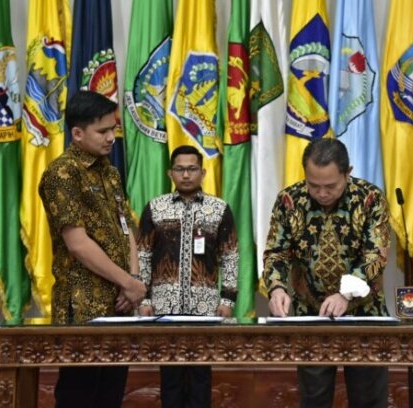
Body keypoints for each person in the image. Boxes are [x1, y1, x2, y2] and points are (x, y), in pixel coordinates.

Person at [263, 138, 390, 408]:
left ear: (348, 172)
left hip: (364, 313)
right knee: (314, 398)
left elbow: (375, 254)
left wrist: (346, 293)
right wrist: (276, 288)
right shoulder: (289, 200)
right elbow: (276, 252)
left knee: (368, 399)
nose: (321, 193)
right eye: (313, 185)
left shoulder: (370, 198)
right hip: (310, 313)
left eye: (330, 186)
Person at [39, 90, 146, 408]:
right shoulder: (62, 174)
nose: (112, 137)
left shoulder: (110, 173)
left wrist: (134, 280)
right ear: (77, 133)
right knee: (80, 396)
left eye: (113, 129)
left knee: (111, 395)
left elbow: (126, 228)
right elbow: (78, 244)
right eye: (103, 131)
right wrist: (127, 283)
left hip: (120, 304)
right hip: (82, 308)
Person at [136, 145, 239, 408]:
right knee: (170, 376)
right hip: (164, 307)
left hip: (203, 307)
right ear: (170, 173)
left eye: (192, 169)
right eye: (180, 169)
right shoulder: (155, 209)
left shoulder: (219, 209)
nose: (186, 175)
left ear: (203, 172)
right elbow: (144, 255)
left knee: (200, 376)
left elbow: (230, 256)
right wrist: (144, 300)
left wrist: (227, 301)